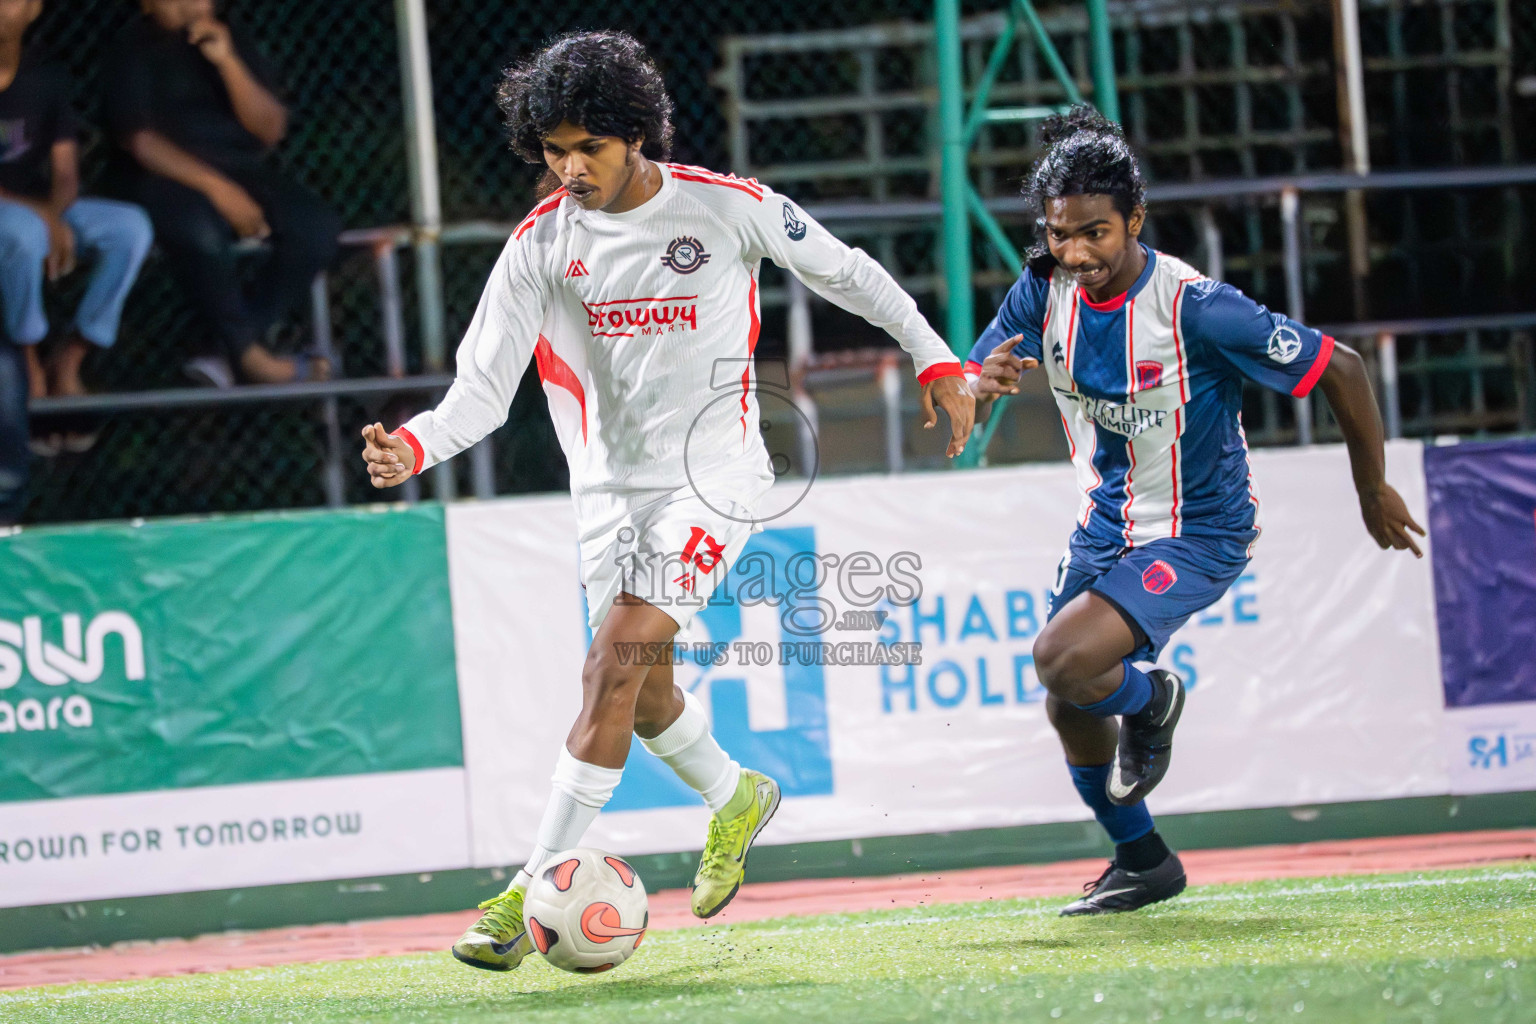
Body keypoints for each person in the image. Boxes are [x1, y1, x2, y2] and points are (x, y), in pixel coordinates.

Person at [361, 31, 974, 972]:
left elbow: (847, 272)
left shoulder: (724, 209)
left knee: (610, 665)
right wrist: (413, 445)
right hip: (605, 494)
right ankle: (736, 797)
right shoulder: (540, 247)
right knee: (645, 698)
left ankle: (525, 891)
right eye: (553, 150)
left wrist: (935, 355)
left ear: (636, 135)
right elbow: (480, 392)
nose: (569, 168)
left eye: (588, 148)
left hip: (713, 481)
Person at [967, 106, 1425, 916]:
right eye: (1060, 234)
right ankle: (1143, 859)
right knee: (1068, 699)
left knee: (1064, 660)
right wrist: (981, 380)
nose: (1076, 254)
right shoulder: (1045, 287)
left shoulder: (1197, 309)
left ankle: (1154, 703)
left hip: (1200, 528)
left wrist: (1371, 488)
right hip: (1104, 526)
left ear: (1135, 220)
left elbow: (1344, 370)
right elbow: (986, 359)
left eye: (1096, 234)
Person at [101, 0, 338, 385]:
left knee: (315, 227)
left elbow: (270, 128)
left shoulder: (231, 38)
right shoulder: (132, 47)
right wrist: (218, 190)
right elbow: (140, 141)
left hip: (241, 169)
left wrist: (228, 62)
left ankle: (224, 348)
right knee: (200, 231)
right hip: (164, 176)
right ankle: (251, 359)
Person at [0, 0, 153, 451]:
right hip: (18, 218)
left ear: (34, 10)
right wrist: (43, 217)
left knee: (129, 228)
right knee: (23, 234)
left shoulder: (45, 75)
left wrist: (55, 211)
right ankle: (27, 361)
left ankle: (71, 358)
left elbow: (65, 172)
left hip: (38, 207)